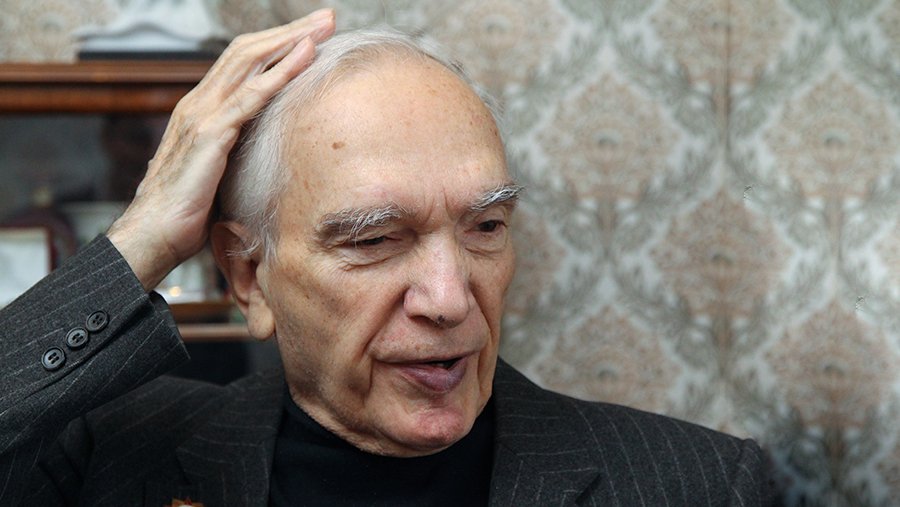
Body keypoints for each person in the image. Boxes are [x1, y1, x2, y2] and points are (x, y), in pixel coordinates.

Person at [0, 8, 773, 506]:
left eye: (485, 227)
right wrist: (141, 238)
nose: (450, 298)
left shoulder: (701, 484)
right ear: (248, 275)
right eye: (374, 239)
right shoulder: (106, 456)